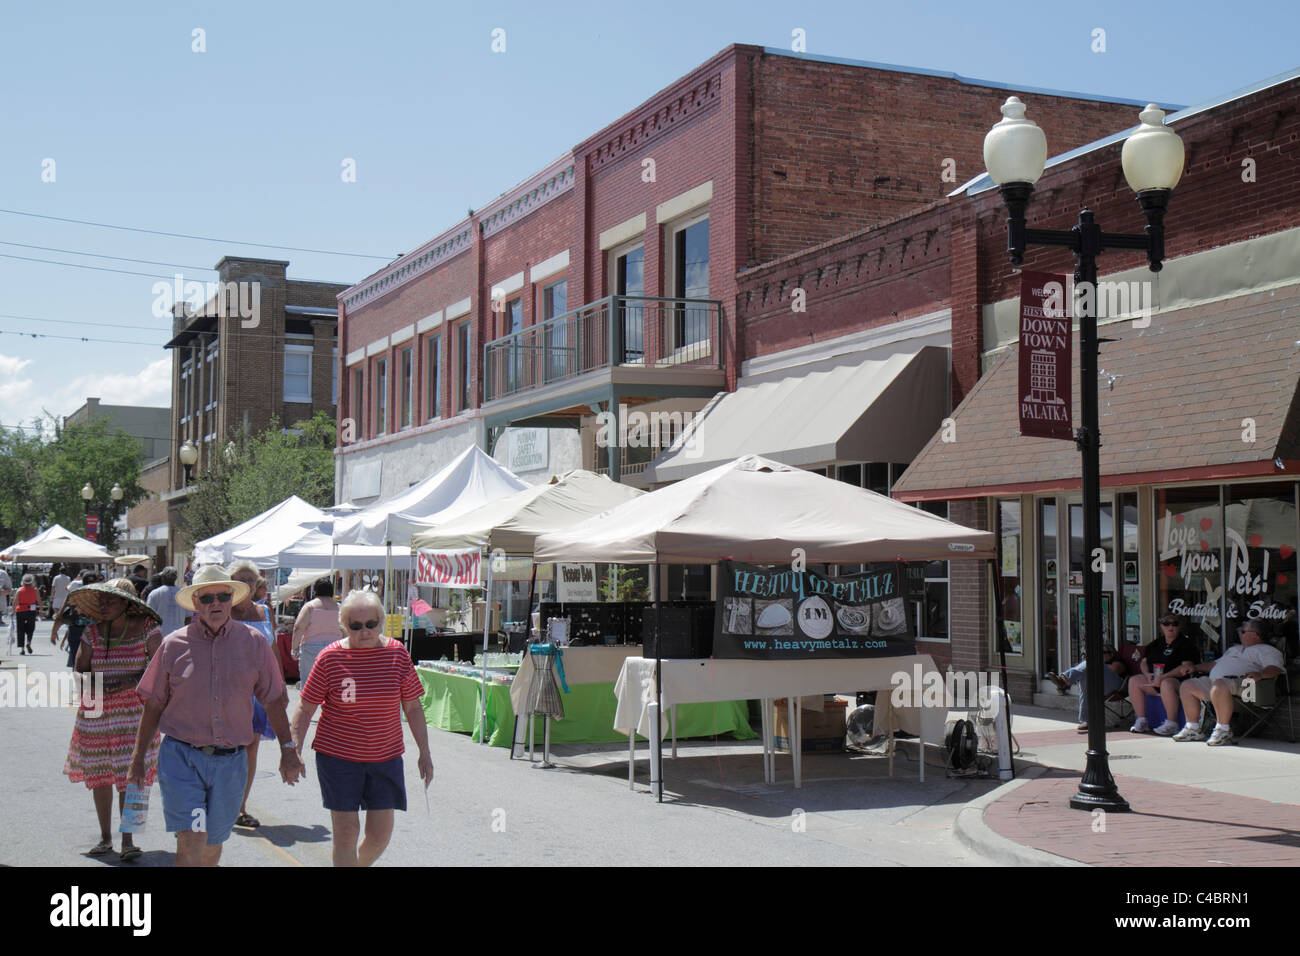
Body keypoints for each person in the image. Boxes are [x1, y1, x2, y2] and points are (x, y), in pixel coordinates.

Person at [127, 565, 304, 867]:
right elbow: (154, 705)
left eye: (223, 596)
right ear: (195, 603)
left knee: (211, 846)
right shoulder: (173, 645)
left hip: (230, 763)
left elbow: (274, 699)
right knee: (192, 839)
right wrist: (137, 760)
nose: (216, 604)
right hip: (183, 759)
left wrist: (288, 750)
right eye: (207, 599)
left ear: (232, 599)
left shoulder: (253, 642)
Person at [292, 589, 432, 866]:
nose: (365, 631)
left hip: (385, 756)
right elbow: (305, 707)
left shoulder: (397, 654)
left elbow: (413, 707)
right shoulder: (330, 658)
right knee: (346, 831)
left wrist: (424, 752)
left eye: (371, 624)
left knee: (379, 835)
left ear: (381, 622)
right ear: (344, 626)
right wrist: (293, 749)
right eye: (356, 626)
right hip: (338, 757)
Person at [62, 577, 164, 860]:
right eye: (101, 601)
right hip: (95, 710)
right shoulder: (92, 632)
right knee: (100, 775)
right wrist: (94, 684)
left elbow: (161, 668)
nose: (103, 605)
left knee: (133, 774)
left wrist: (131, 680)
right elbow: (80, 668)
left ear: (127, 604)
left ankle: (129, 839)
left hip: (135, 712)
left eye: (110, 600)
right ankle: (106, 837)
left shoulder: (147, 629)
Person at [1173, 620, 1287, 746]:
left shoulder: (1268, 650)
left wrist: (1261, 674)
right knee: (1188, 685)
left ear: (1255, 635)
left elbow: (1275, 668)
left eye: (1243, 631)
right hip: (1219, 683)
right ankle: (1192, 728)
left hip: (1247, 686)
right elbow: (1214, 664)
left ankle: (1223, 730)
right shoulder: (1234, 649)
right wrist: (1195, 667)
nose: (1239, 634)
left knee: (1219, 685)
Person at [228, 560, 276, 829]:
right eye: (240, 578)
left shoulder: (263, 611)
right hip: (228, 690)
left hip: (258, 692)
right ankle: (220, 803)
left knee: (251, 748)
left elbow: (273, 650)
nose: (246, 584)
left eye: (250, 579)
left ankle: (240, 808)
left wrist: (278, 687)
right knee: (226, 747)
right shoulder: (222, 609)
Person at [1128, 614, 1201, 734]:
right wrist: (1147, 674)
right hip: (1155, 680)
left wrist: (1163, 677)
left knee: (1167, 683)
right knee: (1134, 681)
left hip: (1179, 683)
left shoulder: (1186, 644)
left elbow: (1186, 668)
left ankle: (1172, 723)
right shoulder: (1155, 644)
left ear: (1179, 626)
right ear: (1161, 626)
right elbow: (1144, 662)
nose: (1170, 627)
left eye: (1175, 624)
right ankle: (1142, 720)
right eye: (1167, 624)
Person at [1048, 645, 1128, 732]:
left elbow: (1115, 670)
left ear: (1111, 654)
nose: (1099, 655)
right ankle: (1087, 720)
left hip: (1118, 687)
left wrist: (1092, 664)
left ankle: (1065, 681)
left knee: (1090, 663)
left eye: (1102, 653)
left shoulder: (1117, 661)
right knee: (1085, 681)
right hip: (1101, 686)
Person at [291, 578, 341, 686]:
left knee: (309, 683)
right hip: (334, 648)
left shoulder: (310, 607)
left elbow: (298, 627)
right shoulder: (339, 608)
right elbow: (344, 629)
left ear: (315, 591)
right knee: (331, 683)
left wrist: (294, 648)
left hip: (311, 648)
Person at [53, 571, 100, 668]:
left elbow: (60, 615)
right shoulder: (101, 595)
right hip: (96, 632)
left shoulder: (74, 594)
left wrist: (54, 632)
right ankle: (95, 682)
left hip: (76, 630)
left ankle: (79, 681)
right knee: (95, 662)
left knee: (76, 661)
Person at [145, 566, 187, 636]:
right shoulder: (183, 594)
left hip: (160, 634)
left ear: (163, 578)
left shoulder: (155, 593)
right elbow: (188, 617)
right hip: (179, 635)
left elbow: (149, 615)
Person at [15, 573, 39, 655]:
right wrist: (42, 611)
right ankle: (29, 642)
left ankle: (22, 649)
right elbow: (39, 601)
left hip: (20, 610)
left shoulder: (19, 590)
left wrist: (12, 611)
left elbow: (15, 602)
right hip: (31, 611)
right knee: (30, 628)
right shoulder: (35, 590)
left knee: (20, 630)